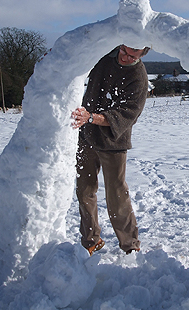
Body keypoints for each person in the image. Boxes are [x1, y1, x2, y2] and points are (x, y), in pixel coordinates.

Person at [71, 44, 150, 256]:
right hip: (86, 135)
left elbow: (127, 114)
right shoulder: (104, 57)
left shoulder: (139, 78)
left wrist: (91, 117)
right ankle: (91, 241)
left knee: (116, 195)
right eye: (123, 51)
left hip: (113, 141)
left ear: (143, 53)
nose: (124, 57)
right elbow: (78, 60)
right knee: (84, 190)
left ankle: (130, 245)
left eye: (132, 55)